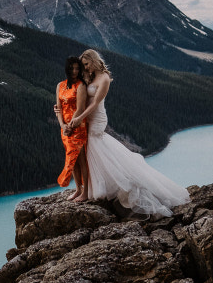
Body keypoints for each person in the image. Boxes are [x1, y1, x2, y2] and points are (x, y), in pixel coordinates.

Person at [66, 49, 190, 218]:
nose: (85, 68)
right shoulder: (90, 76)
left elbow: (95, 103)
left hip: (97, 117)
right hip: (87, 117)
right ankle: (92, 188)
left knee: (95, 147)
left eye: (87, 64)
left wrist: (80, 116)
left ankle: (101, 187)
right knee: (91, 150)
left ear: (94, 61)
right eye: (84, 65)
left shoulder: (104, 78)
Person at [55, 56, 89, 201]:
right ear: (67, 69)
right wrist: (62, 125)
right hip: (65, 128)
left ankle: (86, 192)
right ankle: (78, 189)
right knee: (72, 159)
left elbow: (80, 108)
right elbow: (58, 108)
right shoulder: (60, 86)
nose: (75, 71)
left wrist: (69, 126)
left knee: (81, 159)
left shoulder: (81, 85)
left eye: (77, 68)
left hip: (78, 126)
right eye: (72, 68)